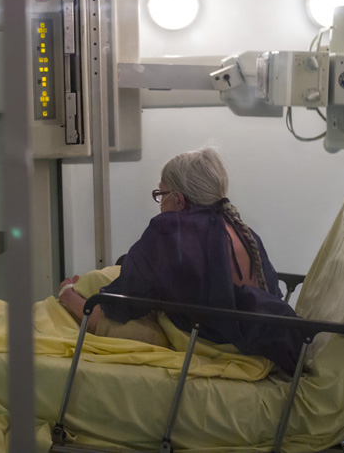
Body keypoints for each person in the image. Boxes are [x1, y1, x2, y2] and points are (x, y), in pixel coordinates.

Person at [56, 147, 304, 372]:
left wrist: (68, 295)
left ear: (178, 199)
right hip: (259, 344)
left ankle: (67, 296)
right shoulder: (243, 231)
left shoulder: (170, 229)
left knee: (114, 319)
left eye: (159, 194)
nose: (159, 204)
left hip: (213, 346)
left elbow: (114, 308)